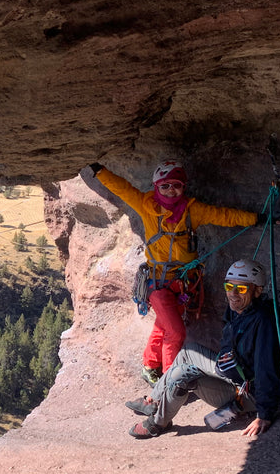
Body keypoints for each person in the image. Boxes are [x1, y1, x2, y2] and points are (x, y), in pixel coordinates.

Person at [86, 161, 258, 384]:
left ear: (183, 186)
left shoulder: (192, 210)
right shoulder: (145, 205)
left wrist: (256, 219)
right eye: (165, 186)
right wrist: (100, 171)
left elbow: (224, 215)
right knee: (176, 332)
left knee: (164, 325)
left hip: (183, 283)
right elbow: (122, 188)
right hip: (157, 284)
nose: (171, 190)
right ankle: (170, 381)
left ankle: (149, 365)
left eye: (176, 185)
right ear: (157, 186)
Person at [124, 259, 280, 439]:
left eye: (241, 289)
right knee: (188, 351)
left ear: (257, 291)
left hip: (248, 391)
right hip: (234, 370)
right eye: (229, 286)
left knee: (181, 375)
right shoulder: (239, 310)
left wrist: (264, 415)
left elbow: (266, 370)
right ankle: (154, 400)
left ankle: (157, 423)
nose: (232, 293)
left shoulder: (264, 323)